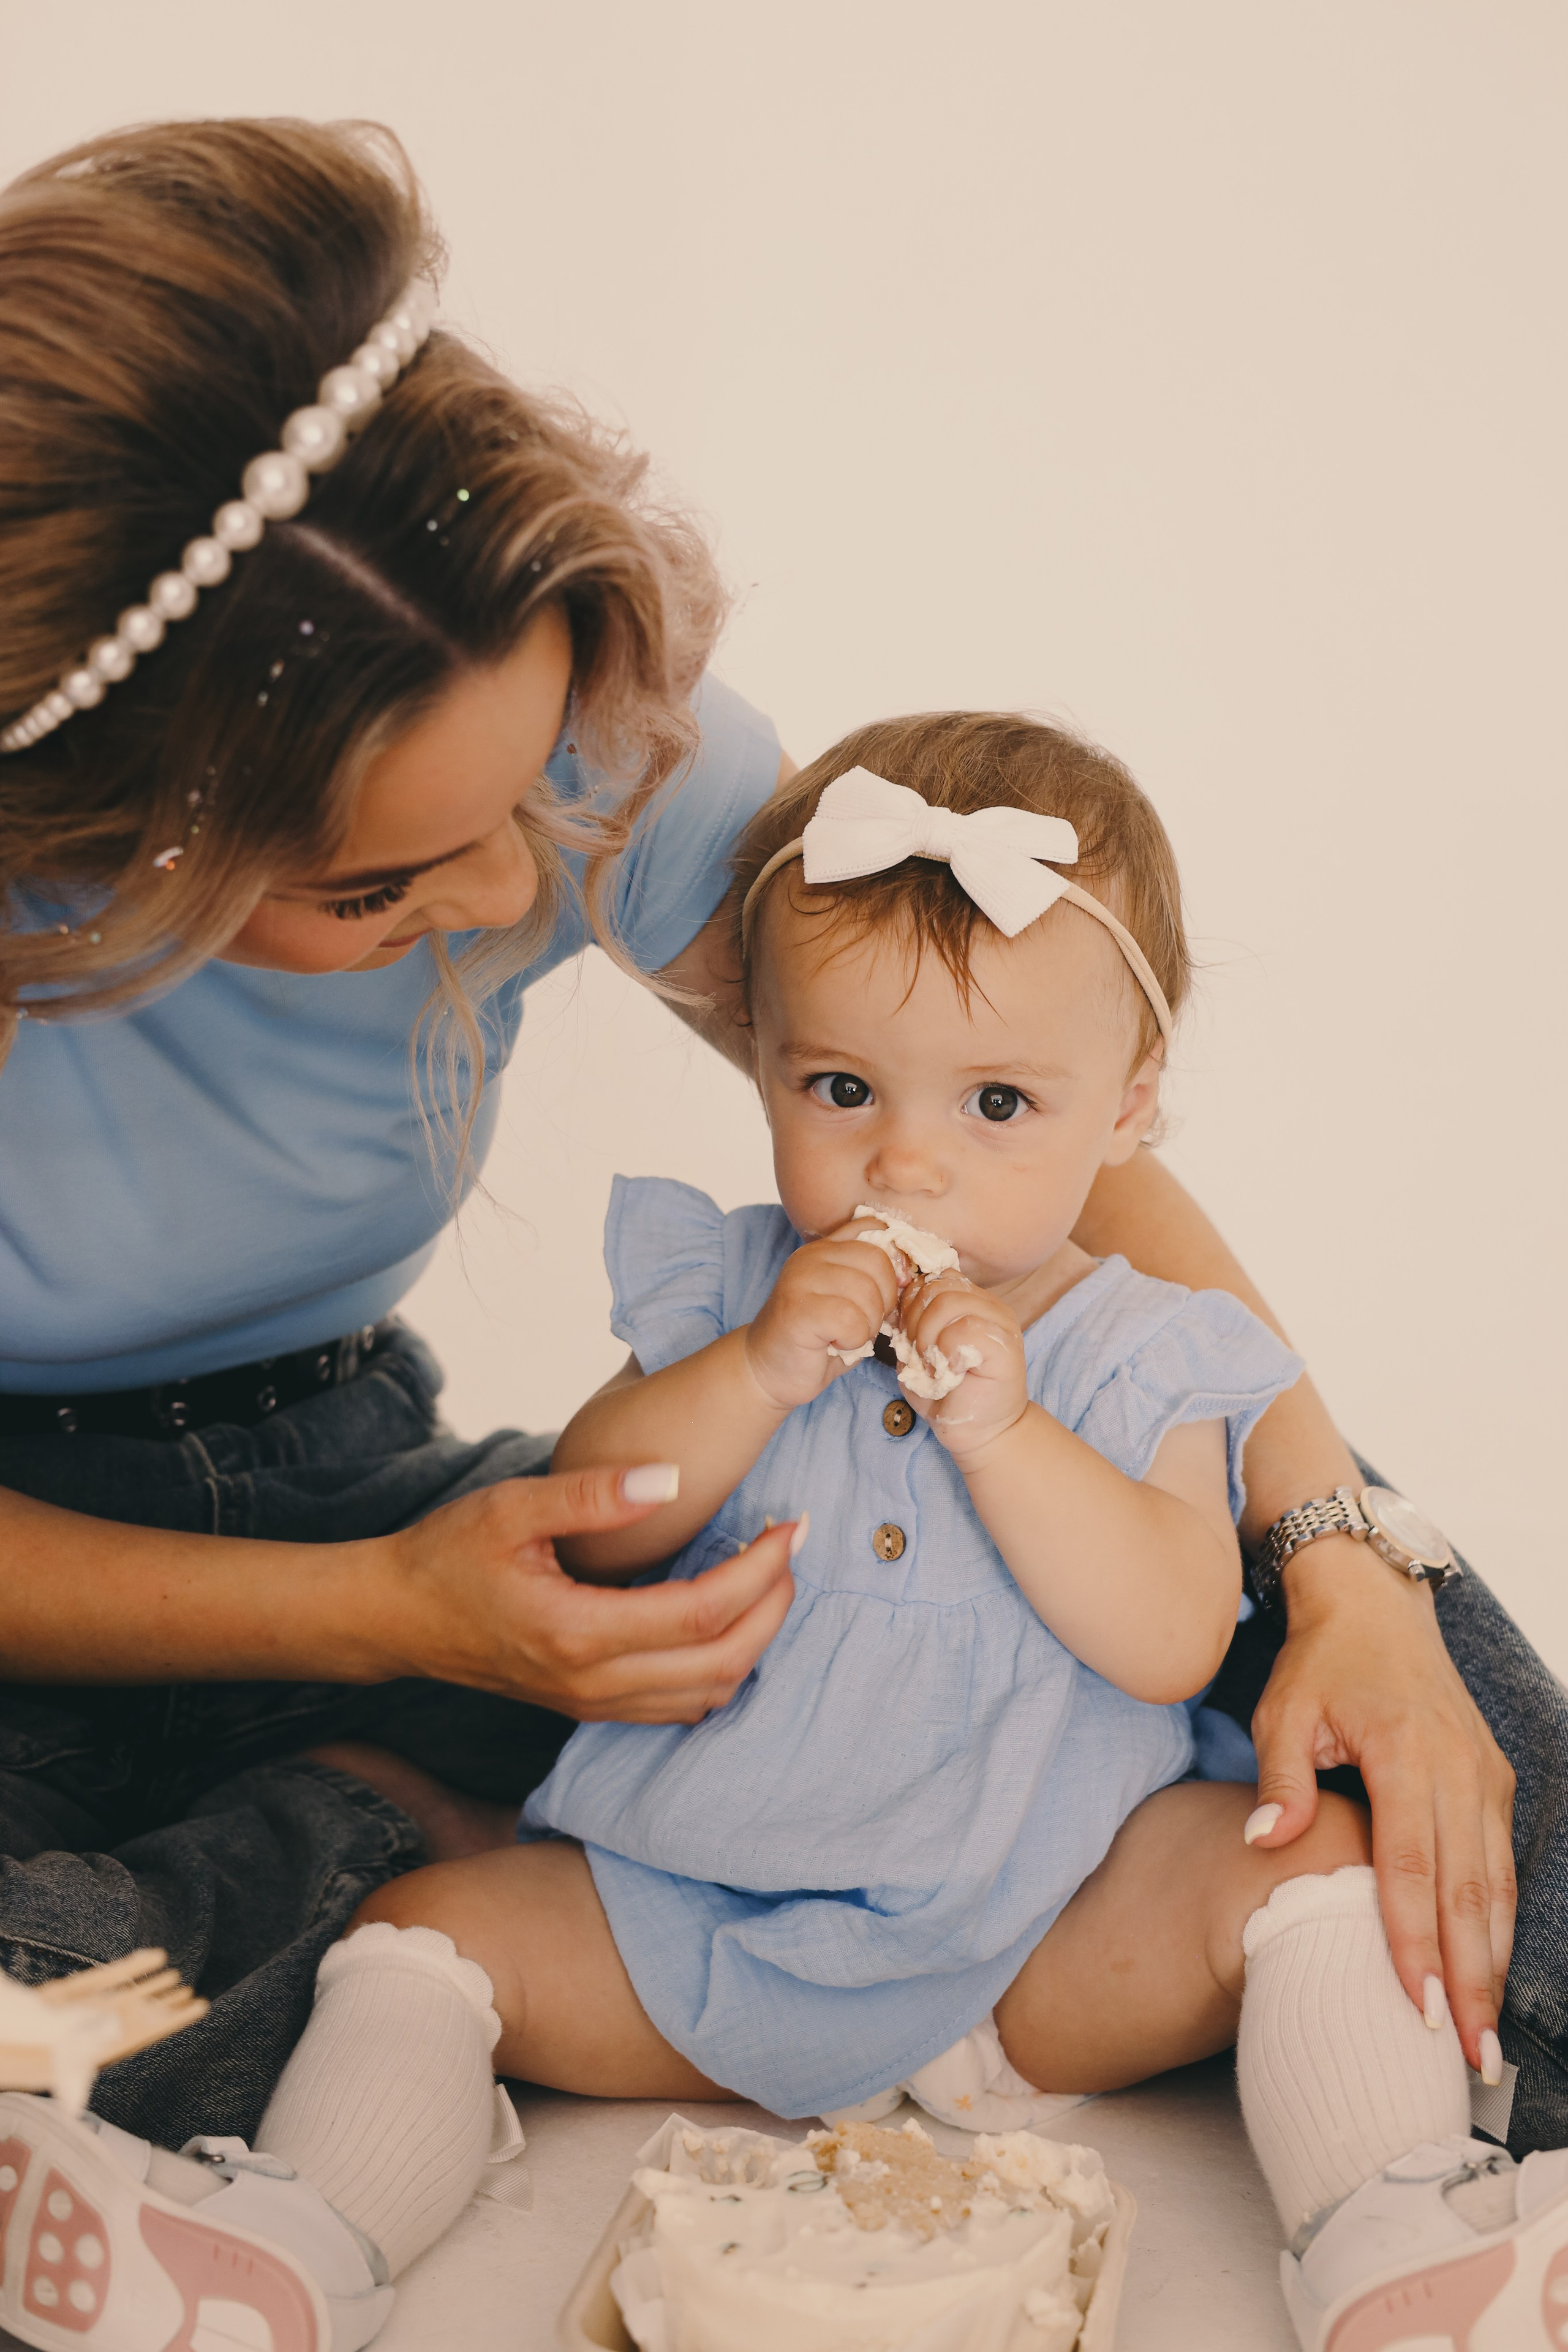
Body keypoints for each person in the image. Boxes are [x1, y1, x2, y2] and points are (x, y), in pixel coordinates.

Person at [0, 107, 1558, 2350]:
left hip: (378, 1488)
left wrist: (1346, 1562)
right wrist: (391, 1616)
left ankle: (1455, 2162)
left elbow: (1004, 1094)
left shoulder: (553, 733)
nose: (524, 901)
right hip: (99, 1580)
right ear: (99, 843)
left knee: (1377, 1683)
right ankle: (309, 1911)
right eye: (376, 891)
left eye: (534, 801)